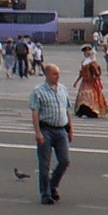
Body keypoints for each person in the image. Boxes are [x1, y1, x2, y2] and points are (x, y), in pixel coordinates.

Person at [30, 62, 73, 205]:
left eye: (58, 74)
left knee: (65, 160)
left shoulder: (62, 89)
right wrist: (37, 132)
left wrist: (70, 129)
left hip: (61, 130)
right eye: (54, 74)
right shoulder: (38, 91)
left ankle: (52, 184)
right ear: (47, 74)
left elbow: (66, 110)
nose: (58, 76)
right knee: (44, 164)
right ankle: (45, 194)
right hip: (46, 129)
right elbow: (35, 112)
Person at [73, 53, 108, 119]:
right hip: (84, 82)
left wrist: (98, 81)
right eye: (85, 53)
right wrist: (76, 82)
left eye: (87, 53)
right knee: (82, 97)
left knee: (90, 96)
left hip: (91, 82)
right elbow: (81, 73)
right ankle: (82, 111)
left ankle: (92, 111)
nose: (86, 54)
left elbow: (97, 73)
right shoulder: (83, 62)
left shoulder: (92, 63)